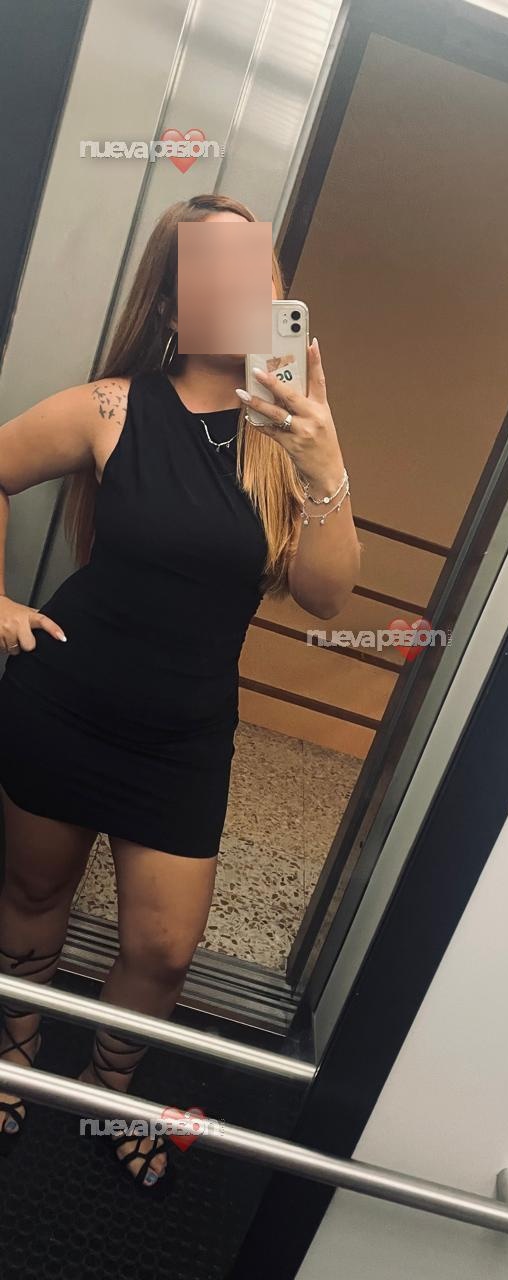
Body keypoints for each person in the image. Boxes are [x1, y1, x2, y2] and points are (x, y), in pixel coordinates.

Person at [0, 193, 360, 1191]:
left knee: (162, 948)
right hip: (64, 701)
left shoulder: (289, 431)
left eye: (254, 268)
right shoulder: (109, 407)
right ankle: (17, 1058)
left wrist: (324, 463)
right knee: (33, 898)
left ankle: (112, 1089)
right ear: (171, 300)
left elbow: (327, 596)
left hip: (184, 737)